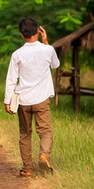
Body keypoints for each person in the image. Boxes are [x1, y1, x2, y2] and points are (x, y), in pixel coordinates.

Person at [4, 17, 60, 177]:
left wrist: (7, 100)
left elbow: (11, 78)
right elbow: (55, 65)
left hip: (23, 100)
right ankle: (44, 155)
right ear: (38, 31)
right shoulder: (48, 50)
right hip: (42, 98)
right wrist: (46, 41)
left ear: (21, 35)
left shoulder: (17, 54)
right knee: (45, 131)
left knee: (25, 133)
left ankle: (27, 169)